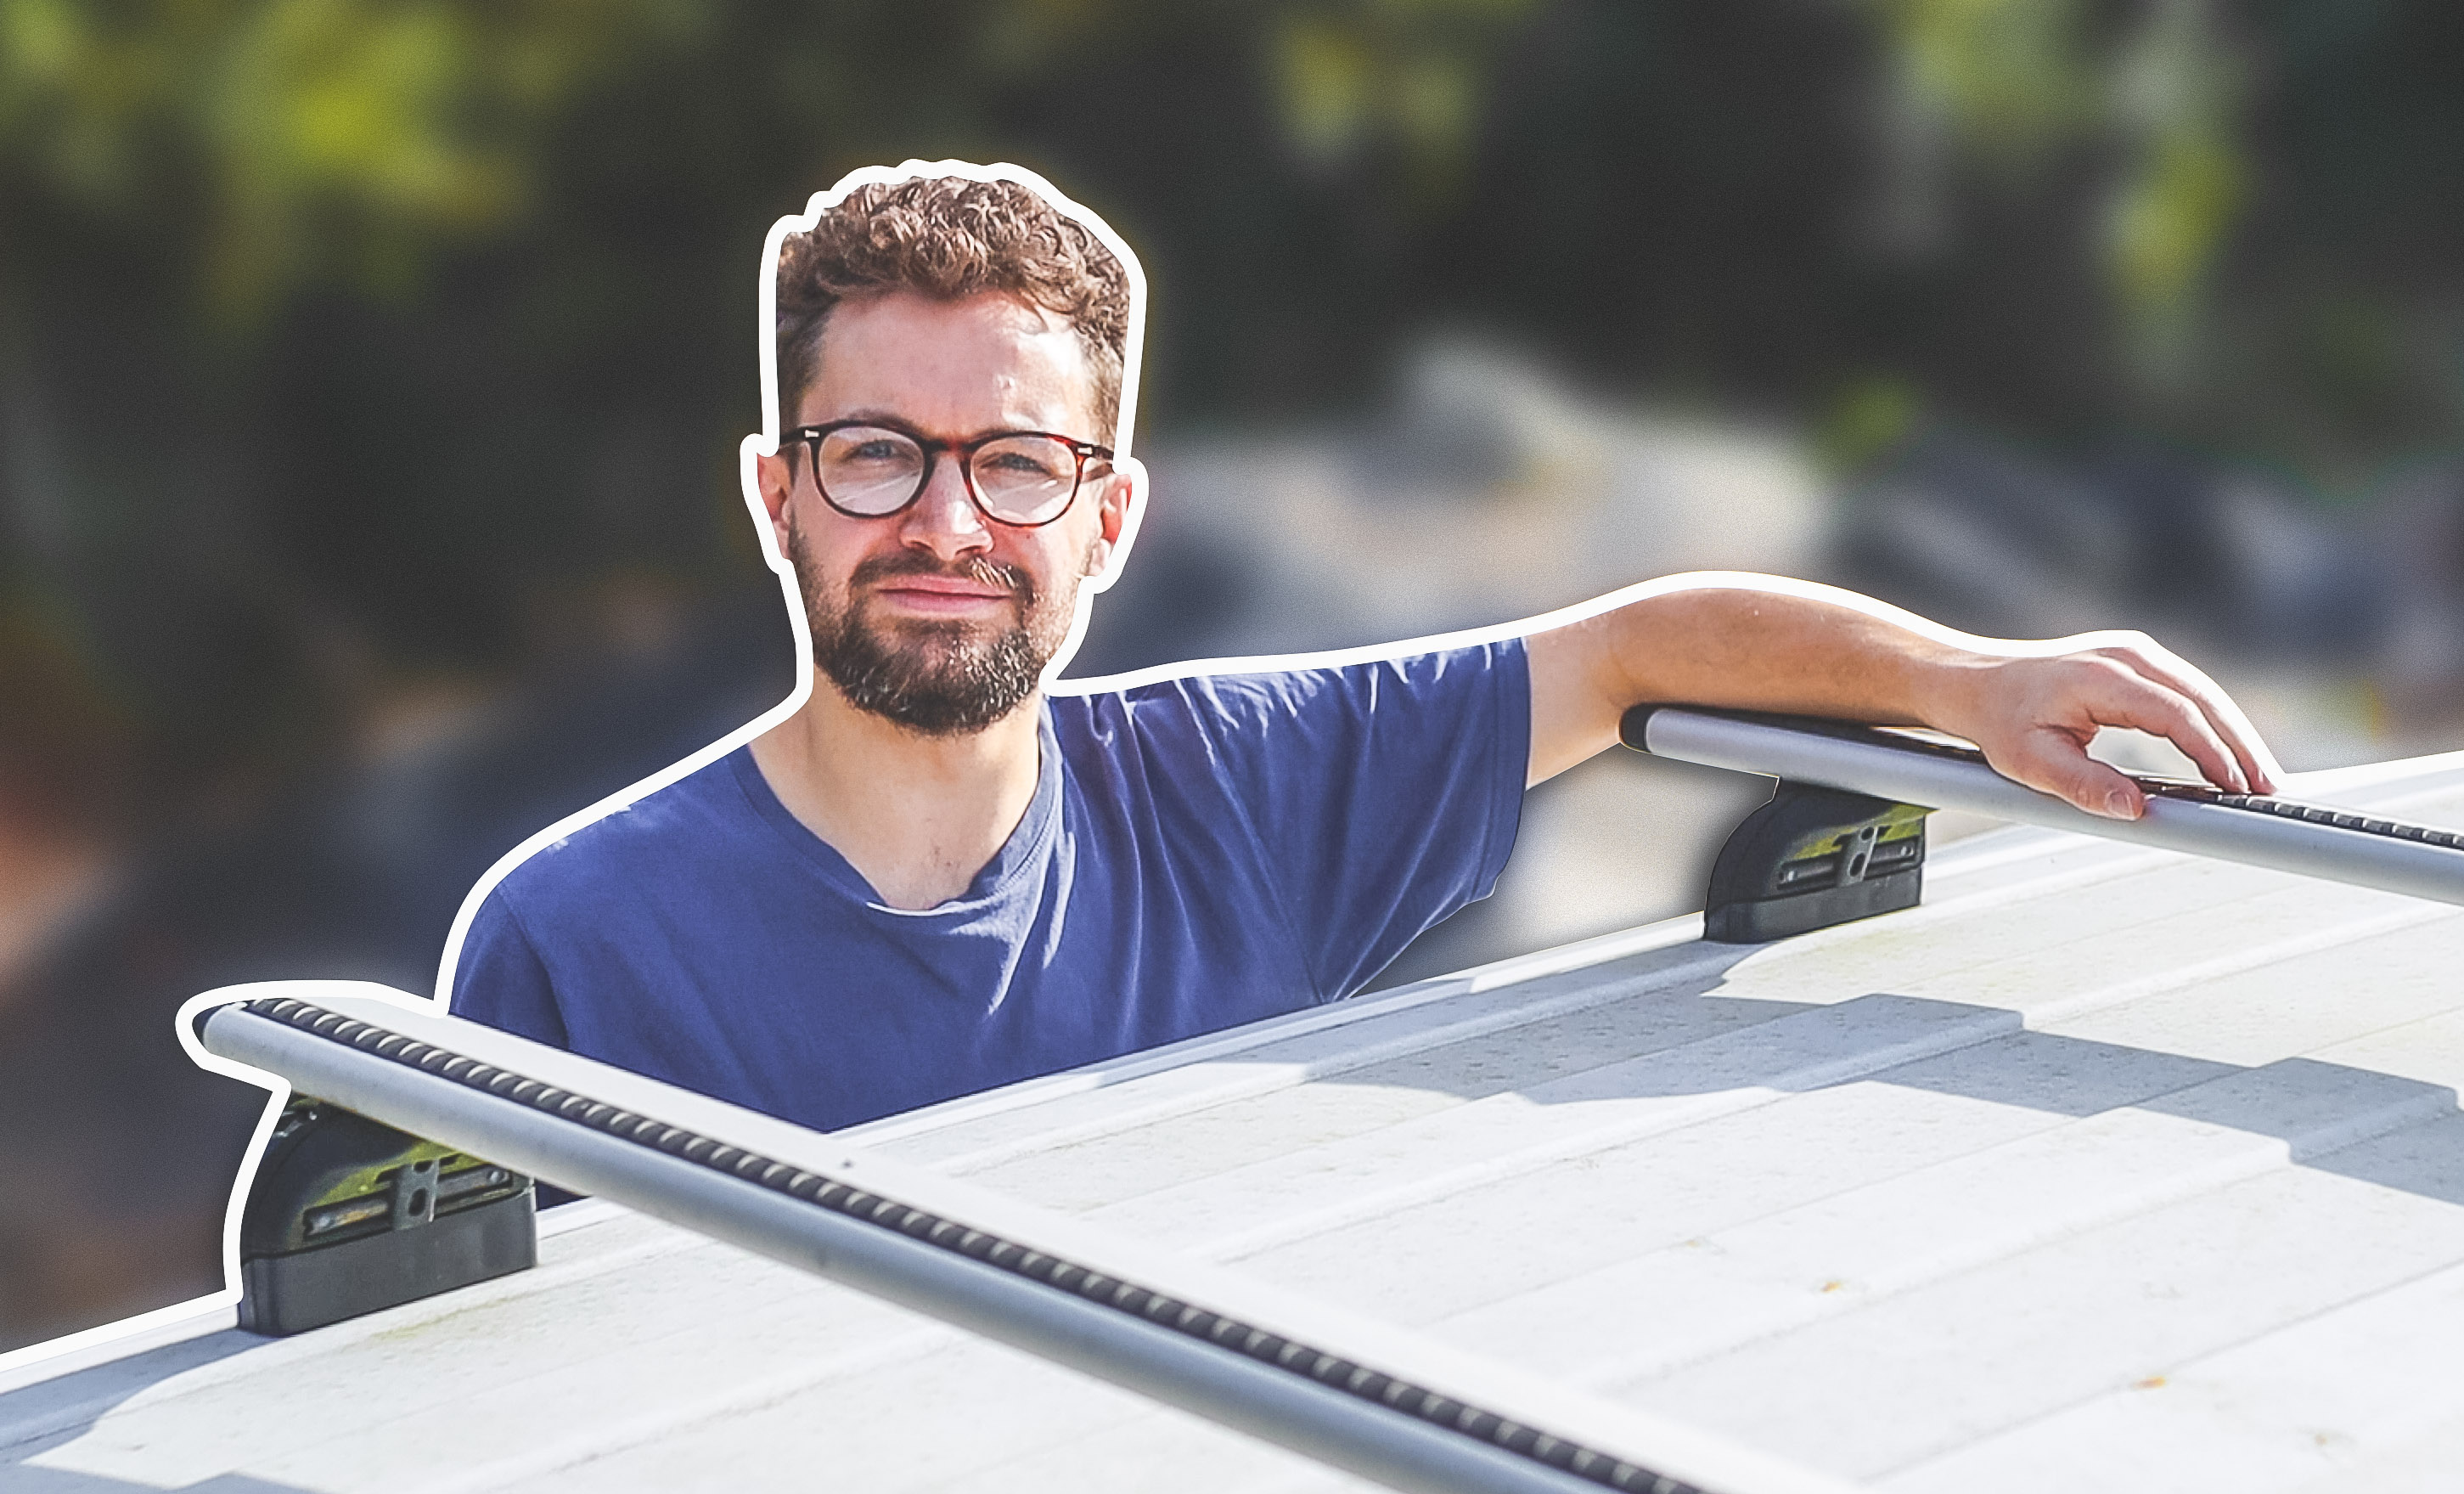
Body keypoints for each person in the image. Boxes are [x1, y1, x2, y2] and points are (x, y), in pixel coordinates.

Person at [448, 164, 2276, 1133]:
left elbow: (1634, 651)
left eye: (1015, 463)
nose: (945, 526)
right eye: (876, 456)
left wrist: (1965, 687)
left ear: (1108, 519)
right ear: (779, 495)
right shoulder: (577, 942)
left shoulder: (1242, 791)